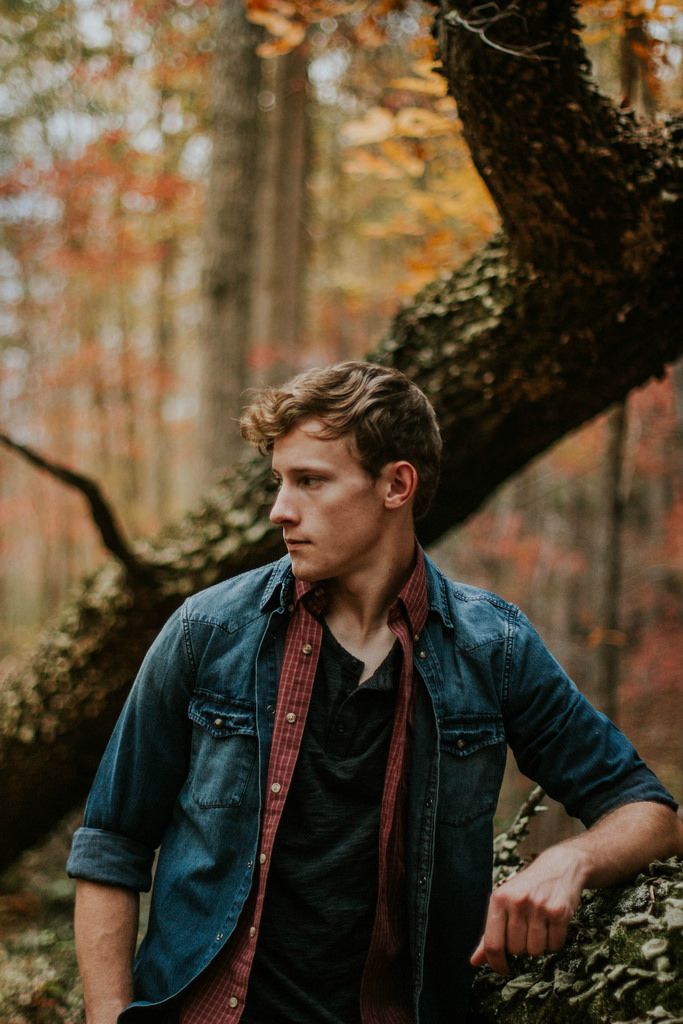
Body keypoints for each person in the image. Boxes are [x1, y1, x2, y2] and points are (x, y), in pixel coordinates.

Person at [67, 361, 682, 1024]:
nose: (279, 509)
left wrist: (570, 860)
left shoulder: (491, 647)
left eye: (309, 481)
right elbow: (111, 842)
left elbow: (646, 810)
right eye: (279, 480)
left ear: (396, 484)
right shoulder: (207, 630)